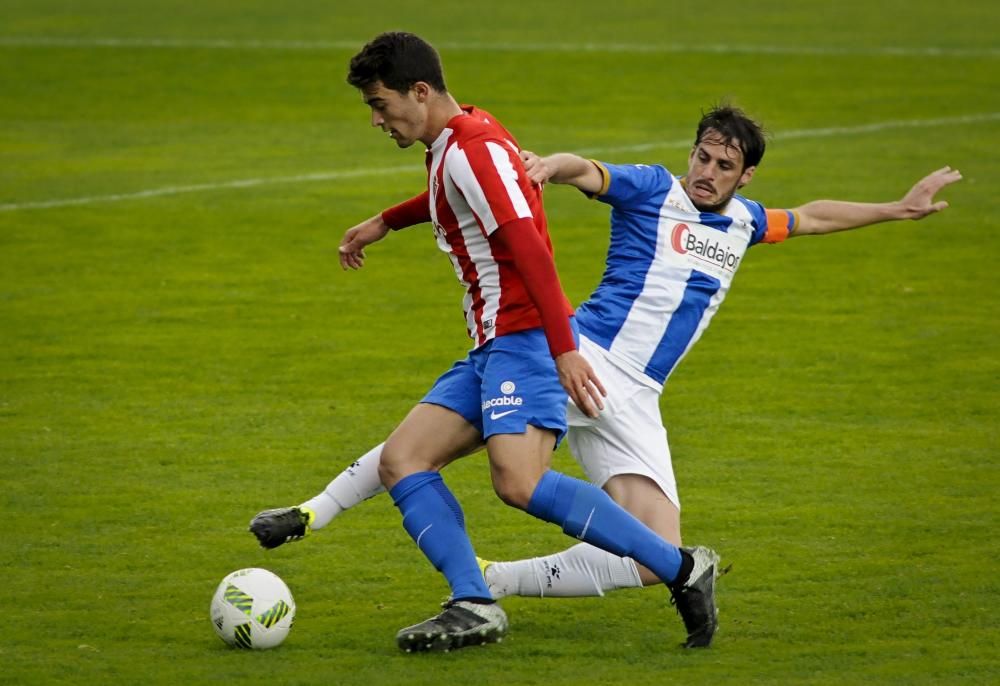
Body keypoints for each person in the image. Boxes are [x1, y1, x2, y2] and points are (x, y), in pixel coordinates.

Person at [252, 102, 960, 609]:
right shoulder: (654, 187)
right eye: (703, 156)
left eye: (724, 164)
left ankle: (495, 578)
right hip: (576, 359)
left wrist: (898, 209)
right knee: (430, 443)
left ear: (744, 177)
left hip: (638, 400)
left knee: (653, 557)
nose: (707, 171)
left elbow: (810, 217)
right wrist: (546, 167)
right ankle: (314, 510)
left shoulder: (744, 221)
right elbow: (587, 171)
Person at [258, 31, 723, 654]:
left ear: (419, 92)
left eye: (380, 104)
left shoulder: (468, 149)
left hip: (524, 337)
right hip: (492, 343)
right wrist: (384, 222)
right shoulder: (457, 140)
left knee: (519, 480)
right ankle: (475, 602)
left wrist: (563, 348)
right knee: (403, 460)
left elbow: (528, 242)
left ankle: (681, 568)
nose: (376, 120)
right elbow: (457, 198)